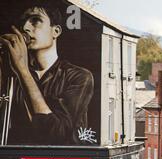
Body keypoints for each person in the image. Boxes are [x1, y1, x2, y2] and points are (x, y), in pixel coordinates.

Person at [0, 2, 94, 145]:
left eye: (35, 20)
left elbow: (56, 134)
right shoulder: (11, 74)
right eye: (23, 22)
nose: (25, 27)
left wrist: (23, 70)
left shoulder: (79, 76)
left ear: (55, 31)